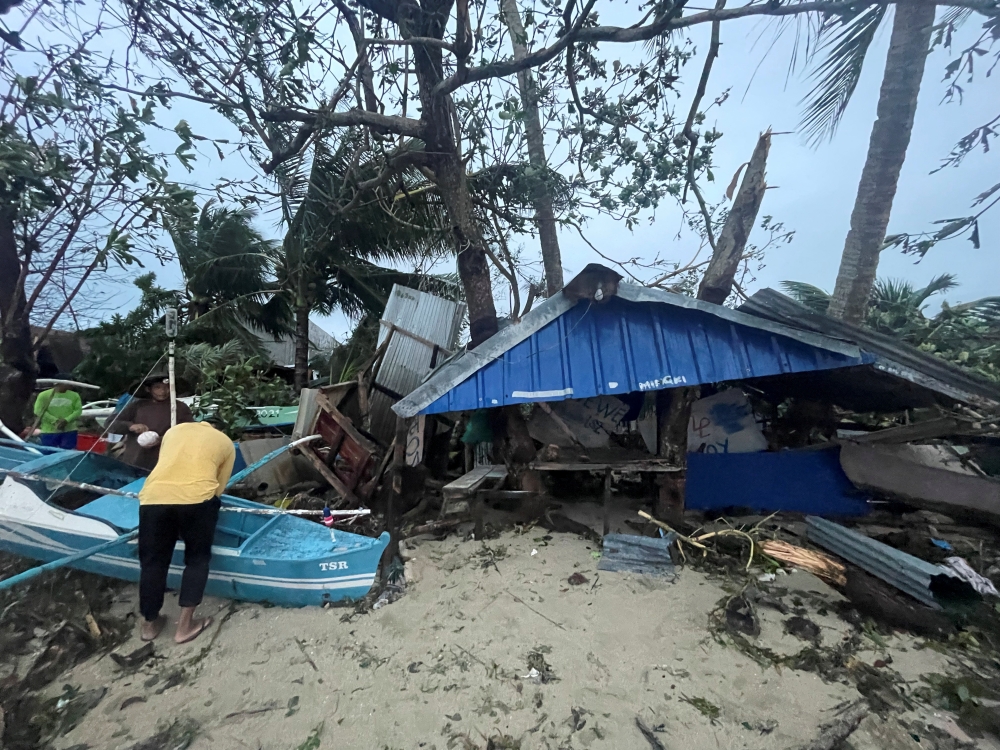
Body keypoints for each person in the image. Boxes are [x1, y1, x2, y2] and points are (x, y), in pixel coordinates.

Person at [137, 418, 236, 643]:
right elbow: (219, 487)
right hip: (197, 498)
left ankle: (150, 625)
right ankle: (184, 627)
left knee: (153, 561)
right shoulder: (225, 442)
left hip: (153, 498)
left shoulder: (174, 432)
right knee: (197, 559)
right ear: (218, 427)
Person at [105, 374, 193, 470]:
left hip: (165, 462)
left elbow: (189, 432)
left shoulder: (180, 408)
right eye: (157, 387)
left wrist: (163, 439)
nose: (162, 391)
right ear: (148, 389)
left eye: (167, 387)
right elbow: (109, 423)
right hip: (135, 460)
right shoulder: (137, 406)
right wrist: (130, 426)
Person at [33, 382, 83, 449]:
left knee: (68, 453)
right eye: (67, 383)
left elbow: (78, 410)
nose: (70, 385)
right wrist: (55, 420)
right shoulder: (44, 395)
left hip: (69, 430)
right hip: (49, 431)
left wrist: (66, 420)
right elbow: (38, 410)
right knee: (48, 452)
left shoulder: (75, 395)